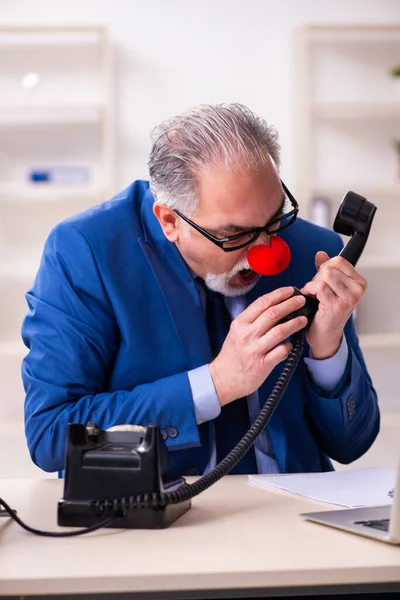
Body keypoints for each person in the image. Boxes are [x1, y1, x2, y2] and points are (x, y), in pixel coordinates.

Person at [22, 103, 379, 475]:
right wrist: (217, 383)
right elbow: (51, 434)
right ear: (170, 221)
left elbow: (354, 444)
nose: (267, 254)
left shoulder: (312, 251)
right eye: (234, 234)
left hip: (293, 514)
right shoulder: (85, 251)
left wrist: (327, 351)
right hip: (164, 519)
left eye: (274, 220)